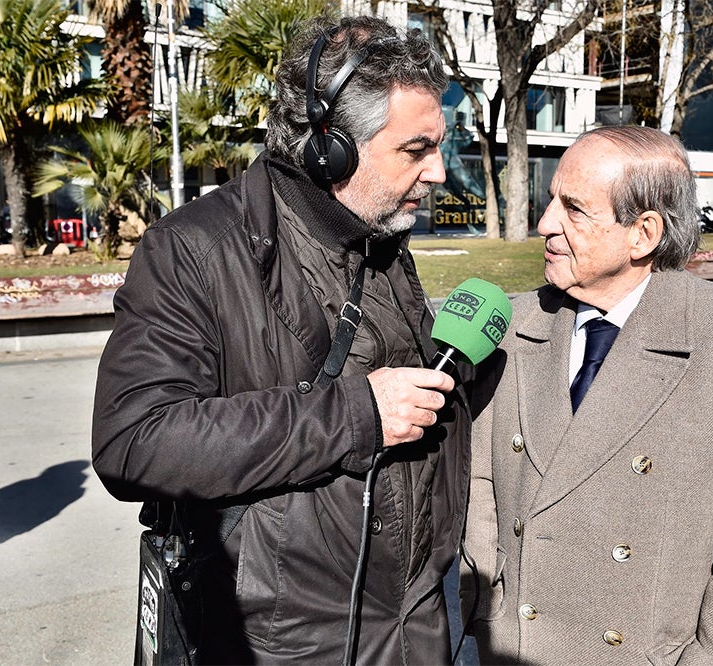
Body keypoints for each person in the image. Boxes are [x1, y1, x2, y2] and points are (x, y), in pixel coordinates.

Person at [92, 15, 471, 664]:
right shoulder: (195, 248)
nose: (438, 171)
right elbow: (135, 440)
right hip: (278, 643)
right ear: (333, 148)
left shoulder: (381, 239)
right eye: (415, 150)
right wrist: (352, 415)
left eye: (439, 146)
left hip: (413, 630)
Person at [461, 125, 713, 664]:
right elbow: (481, 482)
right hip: (514, 647)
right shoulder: (513, 323)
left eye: (574, 209)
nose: (546, 223)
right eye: (551, 198)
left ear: (643, 234)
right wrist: (489, 607)